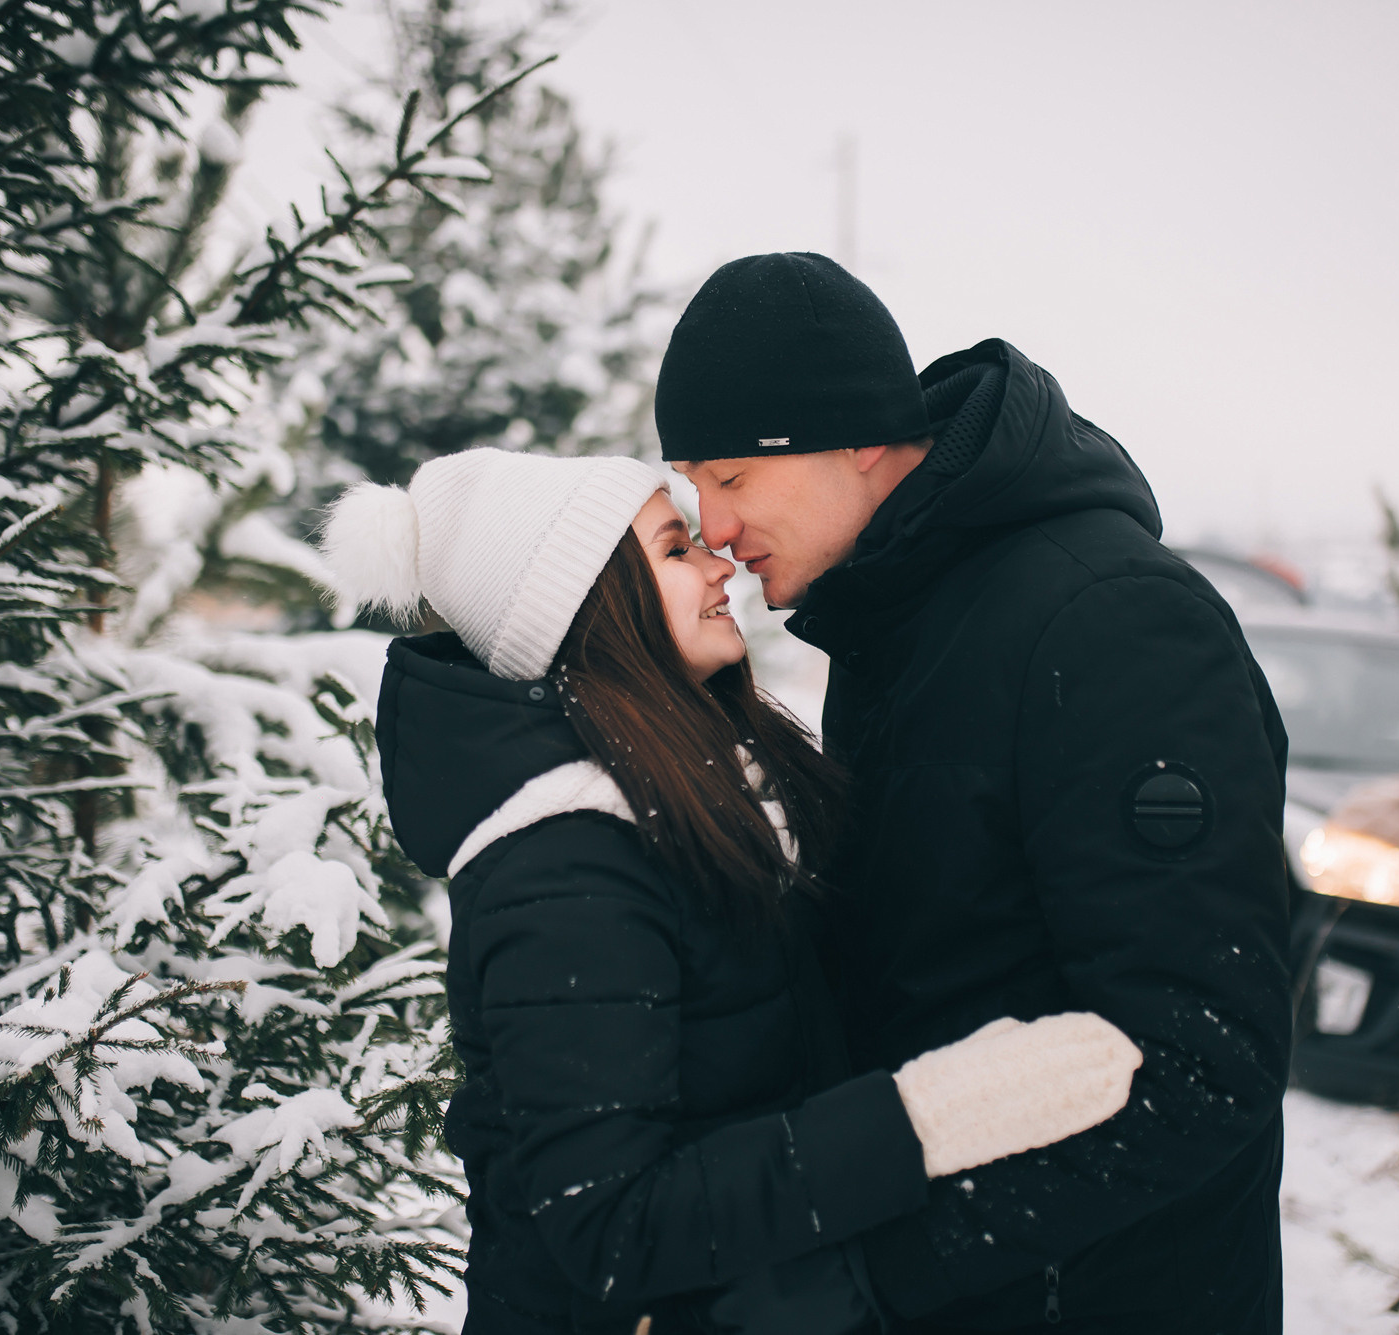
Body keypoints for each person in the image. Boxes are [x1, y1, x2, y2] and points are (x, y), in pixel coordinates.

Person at [320, 447, 1144, 1335]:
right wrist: (923, 1117)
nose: (719, 561)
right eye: (676, 549)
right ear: (589, 605)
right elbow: (611, 1227)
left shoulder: (694, 800)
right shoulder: (566, 868)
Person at [654, 253, 1295, 1335]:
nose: (713, 527)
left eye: (730, 478)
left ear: (856, 438)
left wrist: (876, 1275)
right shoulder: (895, 621)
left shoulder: (1107, 622)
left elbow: (1198, 1060)